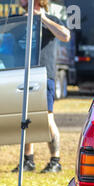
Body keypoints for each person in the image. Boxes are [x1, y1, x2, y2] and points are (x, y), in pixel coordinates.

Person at [12, 0, 70, 173]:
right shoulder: (16, 21)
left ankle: (55, 161)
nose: (22, 1)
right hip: (21, 75)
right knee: (25, 117)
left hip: (44, 76)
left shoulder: (51, 19)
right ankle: (28, 160)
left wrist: (42, 18)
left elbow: (65, 36)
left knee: (46, 118)